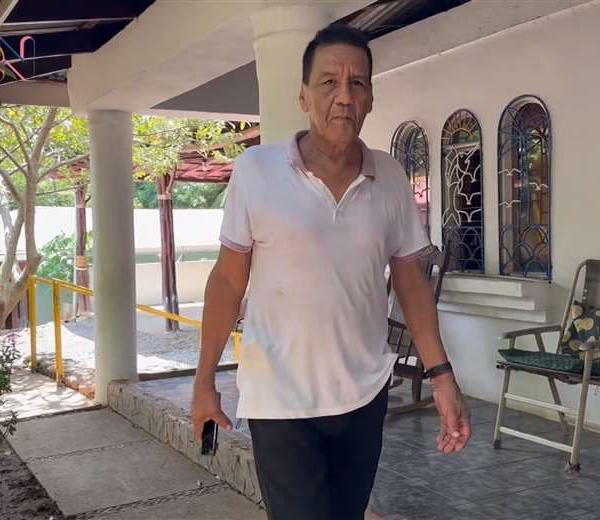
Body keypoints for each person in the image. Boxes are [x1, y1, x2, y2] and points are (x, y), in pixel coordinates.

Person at [191, 24, 470, 520]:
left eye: (357, 83)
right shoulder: (257, 171)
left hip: (363, 395)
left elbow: (410, 283)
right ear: (303, 96)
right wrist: (204, 381)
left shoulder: (390, 177)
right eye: (328, 83)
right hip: (280, 400)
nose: (344, 96)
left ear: (370, 98)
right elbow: (228, 281)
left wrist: (442, 376)